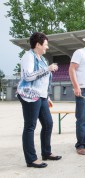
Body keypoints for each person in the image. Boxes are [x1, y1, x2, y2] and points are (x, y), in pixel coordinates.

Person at [17, 32, 62, 168]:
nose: (47, 48)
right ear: (38, 44)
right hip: (29, 95)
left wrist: (47, 96)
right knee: (30, 126)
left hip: (41, 96)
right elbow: (28, 77)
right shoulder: (28, 57)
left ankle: (46, 153)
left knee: (48, 124)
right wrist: (47, 69)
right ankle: (31, 159)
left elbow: (43, 81)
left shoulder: (42, 59)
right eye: (46, 45)